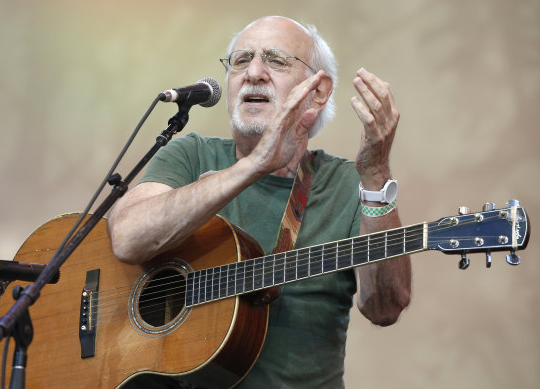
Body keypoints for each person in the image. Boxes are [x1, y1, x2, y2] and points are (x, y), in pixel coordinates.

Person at [108, 15, 412, 389]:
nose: (253, 72)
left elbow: (385, 306)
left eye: (275, 60)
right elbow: (126, 237)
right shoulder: (192, 156)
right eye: (240, 60)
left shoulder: (349, 185)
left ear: (318, 91)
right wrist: (253, 165)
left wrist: (377, 174)